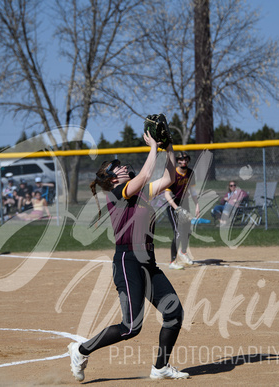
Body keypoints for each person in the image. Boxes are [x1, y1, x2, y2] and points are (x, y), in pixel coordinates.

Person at [67, 128, 189, 381]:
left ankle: (160, 367)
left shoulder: (142, 192)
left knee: (174, 313)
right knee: (131, 327)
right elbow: (145, 174)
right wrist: (153, 147)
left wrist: (168, 147)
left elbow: (168, 178)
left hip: (148, 262)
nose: (123, 168)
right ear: (112, 179)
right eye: (118, 168)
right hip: (127, 262)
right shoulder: (117, 194)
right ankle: (81, 349)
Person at [163, 151, 200, 269]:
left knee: (188, 230)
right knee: (178, 232)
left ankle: (183, 252)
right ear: (177, 161)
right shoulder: (173, 173)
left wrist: (197, 205)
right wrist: (176, 208)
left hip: (184, 203)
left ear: (188, 161)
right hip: (172, 205)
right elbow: (167, 195)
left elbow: (193, 192)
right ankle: (172, 261)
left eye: (185, 160)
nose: (183, 162)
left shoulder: (190, 173)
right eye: (180, 160)